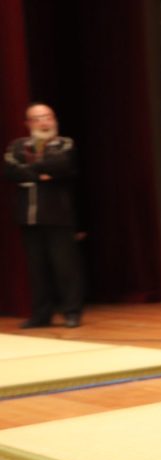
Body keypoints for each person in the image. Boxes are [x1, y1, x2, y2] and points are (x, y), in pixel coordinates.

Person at [3, 103, 84, 328]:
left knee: (65, 267)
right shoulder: (17, 145)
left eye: (48, 117)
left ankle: (71, 312)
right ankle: (41, 314)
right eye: (38, 118)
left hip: (58, 215)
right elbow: (10, 171)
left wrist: (30, 170)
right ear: (28, 123)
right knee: (37, 269)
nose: (44, 122)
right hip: (29, 217)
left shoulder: (64, 143)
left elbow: (61, 165)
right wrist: (42, 174)